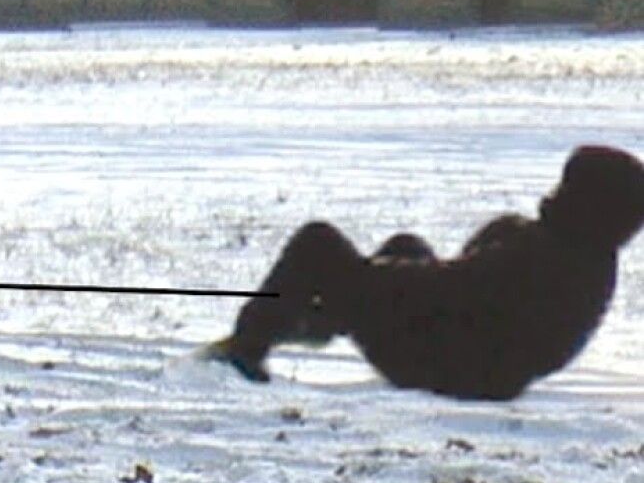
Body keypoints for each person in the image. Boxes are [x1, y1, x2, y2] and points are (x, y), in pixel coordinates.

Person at [207, 145, 644, 401]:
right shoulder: (593, 259)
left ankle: (247, 347)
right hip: (492, 370)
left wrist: (364, 277)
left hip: (446, 369)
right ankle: (321, 321)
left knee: (317, 242)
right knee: (406, 245)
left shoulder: (542, 251)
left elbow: (446, 286)